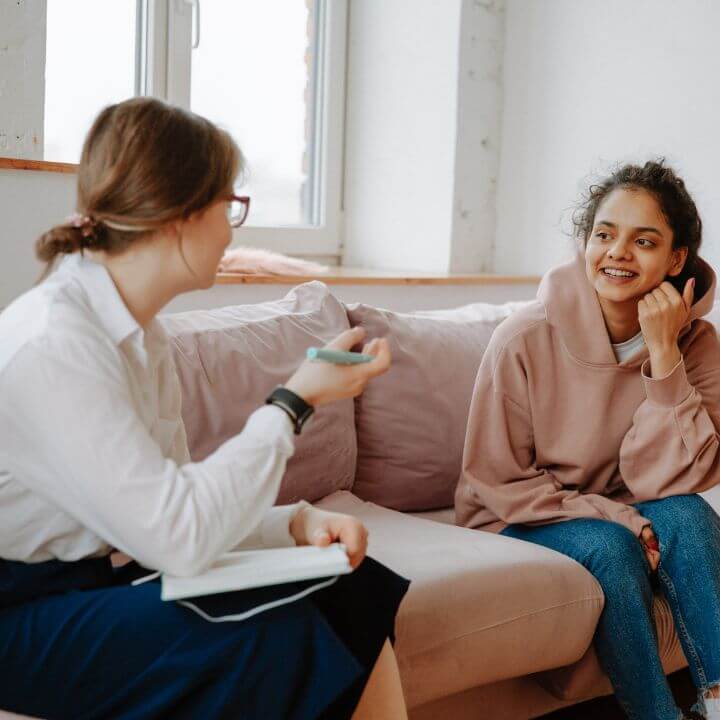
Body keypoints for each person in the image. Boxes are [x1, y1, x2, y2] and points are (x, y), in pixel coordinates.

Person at [0, 97, 409, 720]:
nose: (232, 228)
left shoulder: (143, 336)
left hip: (98, 579)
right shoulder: (57, 345)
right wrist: (293, 401)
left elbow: (179, 501)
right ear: (179, 214)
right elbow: (180, 538)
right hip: (18, 612)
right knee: (271, 635)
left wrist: (293, 525)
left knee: (352, 586)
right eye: (231, 205)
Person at [455, 160, 720, 720]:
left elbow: (683, 477)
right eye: (604, 234)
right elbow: (496, 480)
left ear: (676, 260)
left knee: (692, 516)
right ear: (585, 243)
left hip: (626, 506)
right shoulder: (522, 339)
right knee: (611, 546)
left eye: (643, 240)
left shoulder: (696, 345)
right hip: (518, 515)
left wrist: (665, 356)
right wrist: (622, 519)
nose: (618, 252)